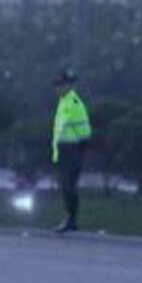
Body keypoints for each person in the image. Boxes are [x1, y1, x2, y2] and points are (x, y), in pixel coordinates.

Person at [51, 69, 92, 234]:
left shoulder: (74, 103)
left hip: (73, 148)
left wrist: (78, 150)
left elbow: (84, 131)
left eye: (61, 85)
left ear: (69, 85)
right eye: (56, 85)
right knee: (66, 186)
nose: (57, 88)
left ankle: (71, 220)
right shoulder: (64, 101)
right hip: (64, 148)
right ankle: (70, 219)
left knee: (68, 186)